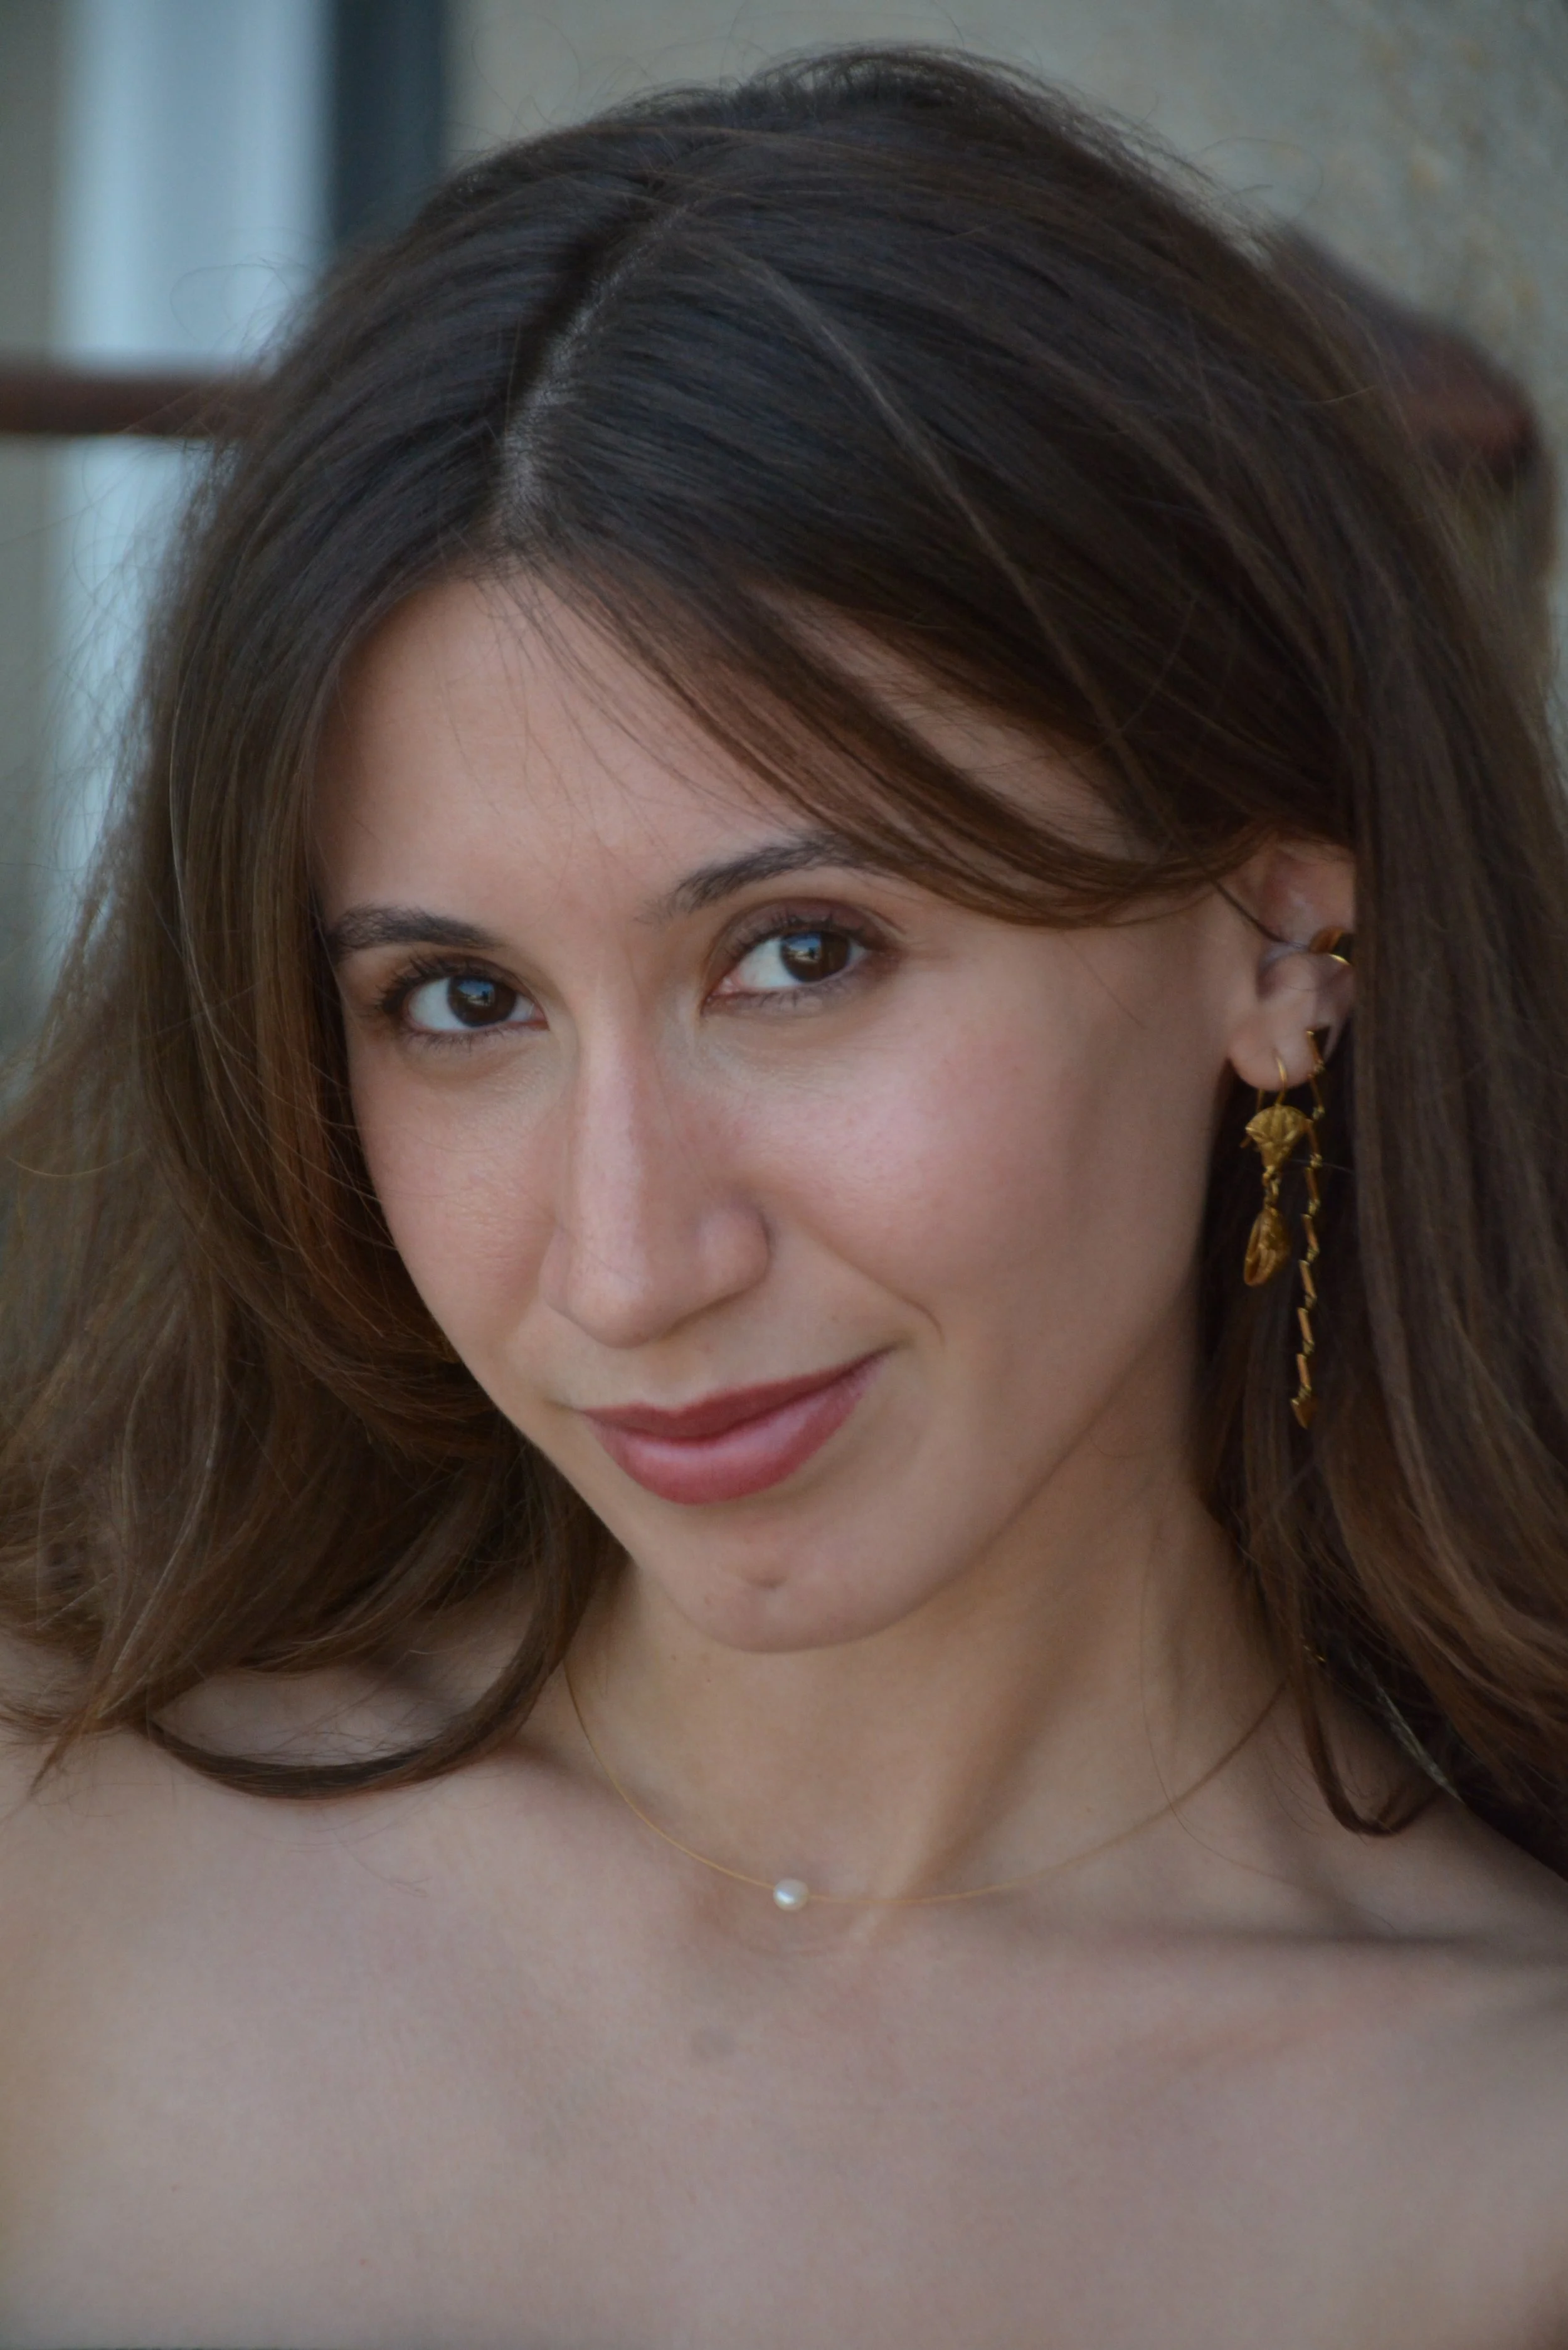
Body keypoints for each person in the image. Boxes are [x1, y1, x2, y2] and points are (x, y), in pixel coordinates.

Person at [1, 46, 1565, 2349]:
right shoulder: (46, 1863)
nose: (632, 1266)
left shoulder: (1501, 2189)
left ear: (1276, 948)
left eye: (801, 957)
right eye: (460, 1002)